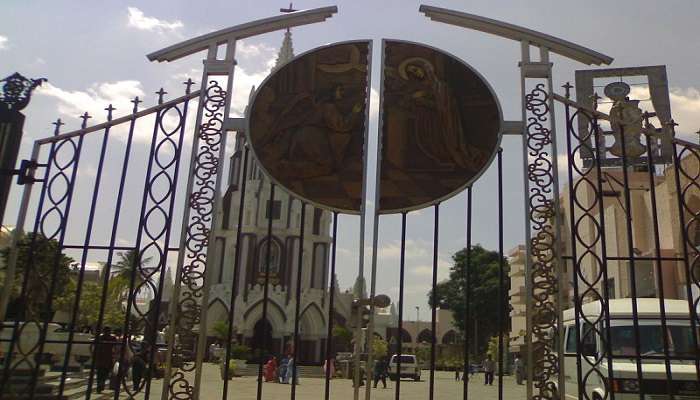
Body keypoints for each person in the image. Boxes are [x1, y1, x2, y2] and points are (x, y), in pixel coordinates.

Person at [94, 327, 116, 393]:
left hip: (106, 358)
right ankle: (100, 385)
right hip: (102, 358)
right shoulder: (101, 338)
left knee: (103, 373)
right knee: (101, 373)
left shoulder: (112, 338)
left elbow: (115, 348)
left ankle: (100, 385)